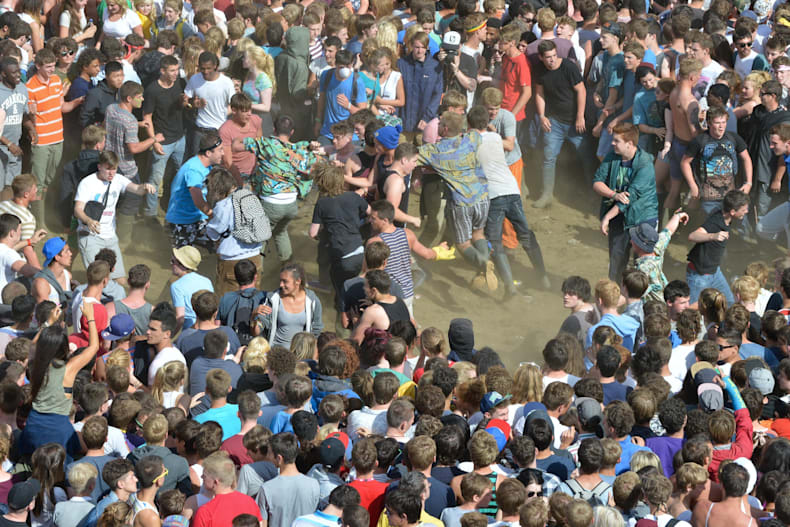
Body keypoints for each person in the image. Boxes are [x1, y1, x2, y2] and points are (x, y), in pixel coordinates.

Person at [467, 106, 550, 295]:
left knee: (495, 242)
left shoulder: (469, 141)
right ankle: (543, 277)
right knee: (525, 235)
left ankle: (510, 287)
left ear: (469, 124)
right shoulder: (496, 138)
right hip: (512, 190)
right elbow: (497, 138)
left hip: (494, 195)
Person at [418, 112, 495, 290]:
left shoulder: (435, 151)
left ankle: (482, 263)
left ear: (445, 129)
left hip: (461, 201)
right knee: (478, 234)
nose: (437, 126)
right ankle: (485, 265)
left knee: (463, 243)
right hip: (482, 196)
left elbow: (413, 157)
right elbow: (479, 131)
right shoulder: (472, 139)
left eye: (439, 124)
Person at [73, 151, 156, 282]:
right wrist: (88, 221)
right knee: (99, 279)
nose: (111, 173)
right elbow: (78, 209)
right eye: (108, 169)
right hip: (90, 236)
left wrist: (145, 187)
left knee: (120, 280)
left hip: (110, 236)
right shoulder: (87, 183)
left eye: (114, 169)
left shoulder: (118, 179)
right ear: (100, 167)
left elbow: (136, 189)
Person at [593, 122, 659, 282]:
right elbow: (597, 182)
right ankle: (614, 299)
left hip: (642, 219)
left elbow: (630, 197)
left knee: (642, 267)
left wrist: (608, 217)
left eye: (616, 140)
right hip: (620, 218)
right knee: (616, 261)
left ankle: (640, 303)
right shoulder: (612, 157)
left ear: (629, 144)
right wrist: (613, 194)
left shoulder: (645, 164)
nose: (612, 143)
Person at [534, 39, 587, 208]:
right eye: (548, 57)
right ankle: (547, 194)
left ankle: (592, 194)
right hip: (554, 121)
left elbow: (581, 90)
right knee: (549, 157)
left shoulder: (569, 67)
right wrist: (542, 116)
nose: (552, 60)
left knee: (586, 157)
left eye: (554, 55)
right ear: (541, 57)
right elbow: (539, 93)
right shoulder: (540, 70)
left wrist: (580, 116)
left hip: (574, 121)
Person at [681, 105, 752, 215]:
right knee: (712, 225)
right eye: (717, 123)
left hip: (731, 195)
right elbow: (685, 163)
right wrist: (693, 185)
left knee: (739, 225)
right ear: (709, 123)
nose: (721, 127)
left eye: (724, 122)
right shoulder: (700, 140)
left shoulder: (733, 138)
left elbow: (746, 158)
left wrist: (748, 183)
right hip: (709, 196)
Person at [141, 54, 187, 221]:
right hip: (163, 142)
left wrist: (184, 103)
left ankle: (172, 206)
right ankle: (150, 214)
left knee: (180, 174)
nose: (176, 73)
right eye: (172, 70)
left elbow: (181, 107)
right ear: (162, 71)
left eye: (177, 70)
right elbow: (147, 117)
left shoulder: (180, 83)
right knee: (154, 178)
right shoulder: (152, 90)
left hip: (180, 138)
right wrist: (154, 142)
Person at [686, 190, 750, 305]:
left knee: (729, 302)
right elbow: (692, 236)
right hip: (700, 276)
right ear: (732, 211)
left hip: (715, 272)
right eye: (744, 210)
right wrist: (713, 236)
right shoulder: (715, 221)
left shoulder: (728, 219)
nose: (746, 211)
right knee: (694, 309)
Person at [165, 132, 225, 249]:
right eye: (220, 150)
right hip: (182, 221)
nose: (223, 153)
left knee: (219, 243)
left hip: (197, 217)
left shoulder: (207, 165)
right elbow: (198, 200)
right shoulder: (194, 170)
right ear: (208, 153)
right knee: (183, 259)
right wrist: (214, 216)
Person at [257, 432, 320, 527]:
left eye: (269, 452)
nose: (267, 456)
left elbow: (262, 524)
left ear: (279, 458)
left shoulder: (267, 489)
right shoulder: (314, 485)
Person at [254, 263, 322, 348]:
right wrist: (253, 318)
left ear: (298, 281)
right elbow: (257, 331)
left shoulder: (313, 301)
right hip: (276, 353)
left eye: (285, 281)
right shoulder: (273, 300)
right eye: (280, 281)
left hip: (300, 355)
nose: (281, 285)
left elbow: (316, 331)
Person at [184, 52, 234, 157]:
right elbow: (185, 100)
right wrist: (193, 104)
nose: (205, 72)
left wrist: (223, 113)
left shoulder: (226, 83)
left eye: (208, 68)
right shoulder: (195, 79)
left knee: (217, 164)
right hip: (199, 130)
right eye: (202, 68)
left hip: (218, 130)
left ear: (215, 66)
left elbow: (233, 105)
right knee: (197, 162)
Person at [192, 452, 262, 527]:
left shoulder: (205, 512)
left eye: (205, 475)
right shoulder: (250, 502)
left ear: (216, 481)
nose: (201, 476)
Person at [351, 270, 414, 343]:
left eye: (365, 285)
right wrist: (374, 304)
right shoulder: (401, 301)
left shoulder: (372, 311)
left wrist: (356, 323)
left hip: (382, 352)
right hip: (400, 350)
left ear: (374, 290)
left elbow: (356, 341)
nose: (363, 288)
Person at [0, 58, 30, 198]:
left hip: (15, 148)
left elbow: (24, 114)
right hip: (2, 148)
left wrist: (31, 128)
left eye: (18, 71)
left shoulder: (22, 89)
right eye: (13, 73)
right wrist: (8, 144)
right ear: (4, 74)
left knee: (11, 186)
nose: (18, 75)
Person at [169, 245, 213, 330]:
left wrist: (170, 337)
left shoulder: (176, 286)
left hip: (190, 329)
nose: (171, 264)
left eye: (173, 261)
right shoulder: (207, 281)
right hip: (208, 327)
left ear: (181, 264)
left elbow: (180, 318)